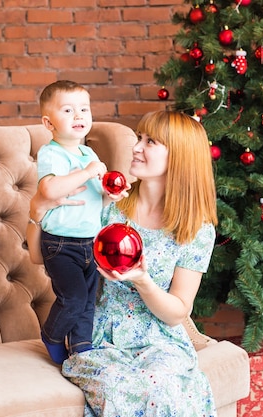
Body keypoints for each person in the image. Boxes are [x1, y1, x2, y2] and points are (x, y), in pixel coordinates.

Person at [27, 110, 219, 416]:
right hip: (97, 336)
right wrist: (37, 210)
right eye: (138, 138)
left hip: (160, 341)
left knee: (165, 386)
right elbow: (39, 257)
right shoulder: (108, 205)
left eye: (150, 142)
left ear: (180, 158)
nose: (136, 147)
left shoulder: (195, 229)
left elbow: (177, 312)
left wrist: (142, 280)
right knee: (119, 386)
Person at [33, 80, 115, 364]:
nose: (78, 116)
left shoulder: (88, 153)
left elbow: (94, 200)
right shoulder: (52, 153)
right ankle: (52, 335)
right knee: (73, 298)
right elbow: (50, 190)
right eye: (68, 110)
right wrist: (89, 172)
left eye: (84, 109)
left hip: (90, 242)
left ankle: (82, 347)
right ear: (49, 122)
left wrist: (109, 194)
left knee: (88, 302)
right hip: (61, 244)